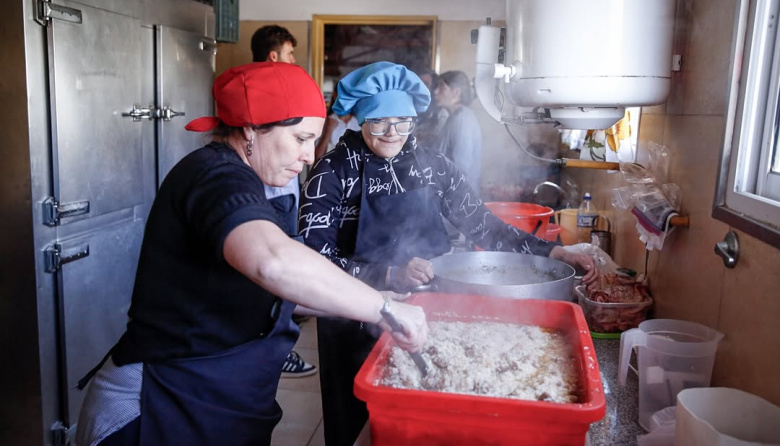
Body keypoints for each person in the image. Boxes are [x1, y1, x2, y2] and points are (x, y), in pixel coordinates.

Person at [74, 62, 428, 446]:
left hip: (217, 405)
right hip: (158, 406)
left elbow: (283, 292)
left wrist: (375, 302)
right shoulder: (213, 177)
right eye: (300, 138)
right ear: (251, 129)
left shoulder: (250, 180)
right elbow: (272, 262)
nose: (310, 155)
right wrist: (382, 307)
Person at [299, 61, 599, 446]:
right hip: (352, 319)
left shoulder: (433, 167)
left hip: (429, 315)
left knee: (425, 421)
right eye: (379, 123)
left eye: (402, 122)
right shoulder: (332, 172)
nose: (393, 134)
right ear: (359, 120)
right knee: (357, 422)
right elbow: (313, 261)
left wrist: (553, 252)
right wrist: (389, 275)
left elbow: (484, 226)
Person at [251, 24, 315, 377]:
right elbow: (274, 268)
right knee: (277, 275)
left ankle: (277, 343)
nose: (307, 154)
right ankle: (276, 348)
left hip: (283, 193)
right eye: (290, 54)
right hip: (275, 197)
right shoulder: (269, 94)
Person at [433, 70, 482, 192]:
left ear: (456, 93)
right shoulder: (454, 117)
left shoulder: (462, 120)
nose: (435, 92)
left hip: (460, 201)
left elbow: (461, 169)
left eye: (442, 87)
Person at [314, 82, 360, 160]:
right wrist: (329, 131)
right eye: (343, 95)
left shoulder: (359, 122)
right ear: (335, 95)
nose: (346, 99)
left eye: (349, 96)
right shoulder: (326, 121)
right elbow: (318, 156)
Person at [413, 67, 448, 148]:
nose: (420, 88)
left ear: (433, 88)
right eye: (419, 84)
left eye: (425, 84)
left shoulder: (442, 114)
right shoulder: (411, 109)